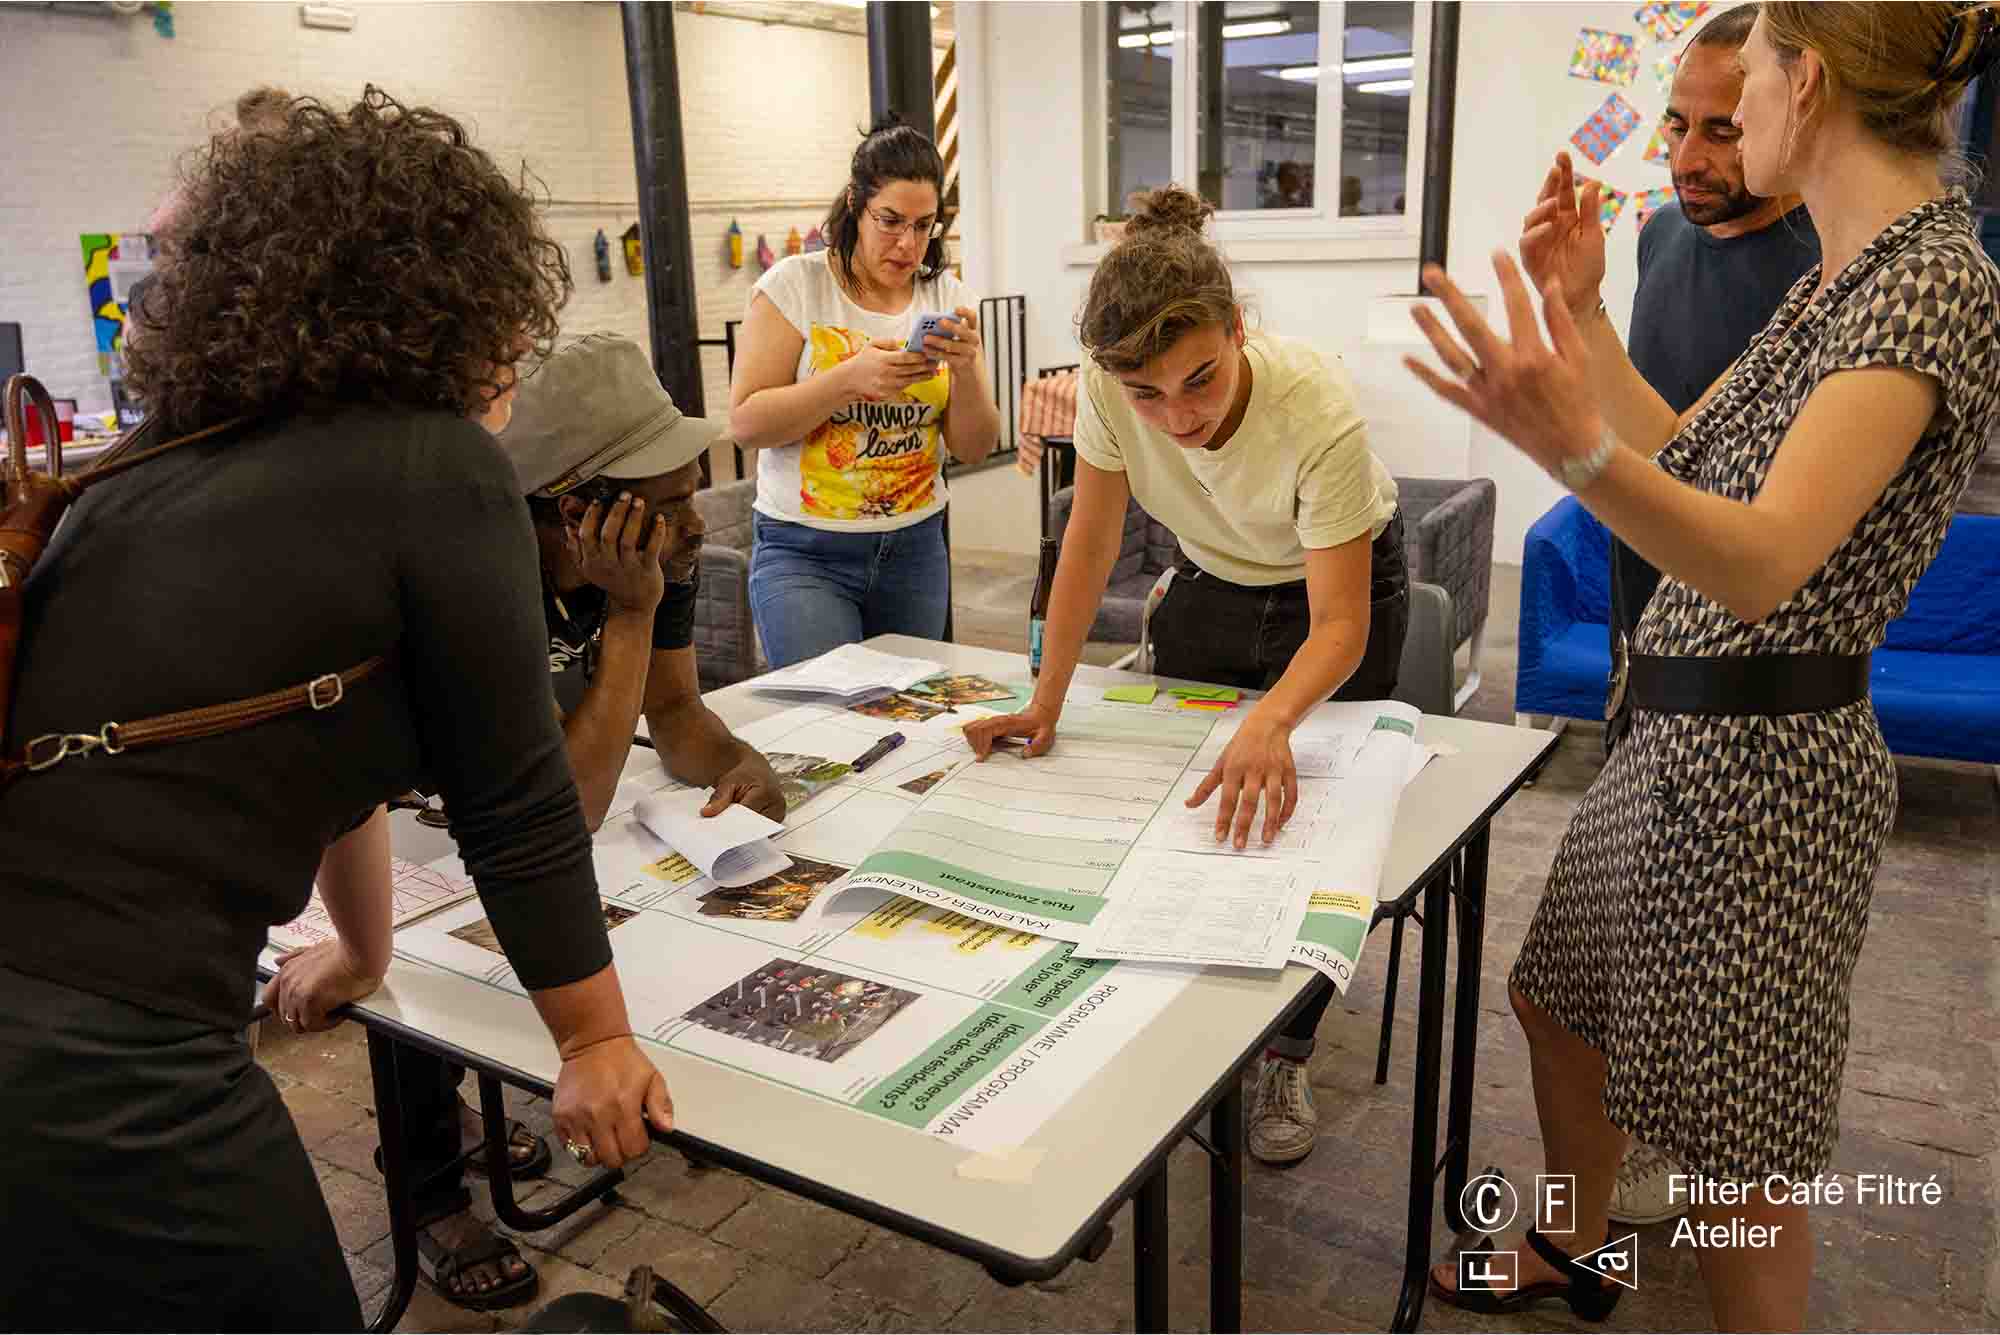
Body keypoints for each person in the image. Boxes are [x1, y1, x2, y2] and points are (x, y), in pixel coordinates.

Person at [0, 88, 672, 1330]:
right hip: (99, 1058)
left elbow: (327, 765)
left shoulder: (159, 464)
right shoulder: (432, 466)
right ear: (442, 293)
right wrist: (593, 1042)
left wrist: (364, 954)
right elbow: (516, 806)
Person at [1409, 4, 2000, 1327]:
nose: (1701, 138)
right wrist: (1582, 318)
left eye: (1746, 92)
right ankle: (1576, 1248)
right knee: (1557, 1003)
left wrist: (1566, 448)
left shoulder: (1929, 285)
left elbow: (1764, 560)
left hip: (1766, 777)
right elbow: (1689, 461)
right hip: (1672, 737)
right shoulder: (1842, 276)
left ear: (1808, 82)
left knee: (1741, 1162)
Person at [277, 333, 790, 1309]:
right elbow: (569, 807)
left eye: (691, 493)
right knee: (416, 972)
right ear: (577, 509)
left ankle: (467, 1116)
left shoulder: (649, 554)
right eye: (668, 500)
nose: (693, 523)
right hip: (379, 817)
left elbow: (673, 712)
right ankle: (430, 1191)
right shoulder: (482, 574)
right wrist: (628, 618)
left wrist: (734, 756)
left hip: (502, 810)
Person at [963, 186, 1407, 1167]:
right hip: (1210, 573)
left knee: (1305, 819)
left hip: (1338, 582)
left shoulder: (1314, 404)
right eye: (1147, 396)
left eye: (1200, 380)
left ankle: (1287, 1051)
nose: (1179, 417)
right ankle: (1193, 1022)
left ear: (1236, 329)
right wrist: (1044, 696)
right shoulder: (1103, 386)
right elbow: (1087, 546)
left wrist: (1275, 719)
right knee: (1200, 805)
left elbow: (1339, 624)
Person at [1605, 1, 1823, 1230]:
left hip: (1750, 672)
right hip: (1644, 643)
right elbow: (1654, 439)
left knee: (1719, 951)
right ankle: (1643, 1126)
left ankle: (1695, 1149)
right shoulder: (1654, 238)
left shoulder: (1828, 275)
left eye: (1722, 131)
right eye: (1675, 124)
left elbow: (1735, 495)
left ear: (1793, 114)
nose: (1686, 157)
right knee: (1635, 921)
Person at [728, 115, 1000, 667]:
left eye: (924, 226)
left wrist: (967, 371)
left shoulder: (946, 295)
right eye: (890, 221)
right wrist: (846, 380)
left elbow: (974, 447)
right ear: (856, 204)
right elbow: (746, 424)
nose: (907, 245)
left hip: (915, 549)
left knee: (910, 708)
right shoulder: (795, 285)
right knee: (823, 709)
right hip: (806, 551)